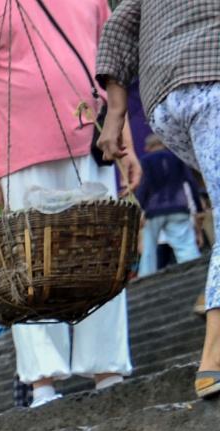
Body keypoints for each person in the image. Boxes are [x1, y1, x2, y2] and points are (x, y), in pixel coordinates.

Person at [0, 0, 141, 409]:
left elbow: (110, 69)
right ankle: (42, 382)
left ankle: (107, 368)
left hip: (91, 144)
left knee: (102, 258)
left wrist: (124, 141)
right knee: (28, 270)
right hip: (18, 153)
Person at [96, 0, 220, 399]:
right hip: (211, 82)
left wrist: (115, 113)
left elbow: (116, 28)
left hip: (164, 104)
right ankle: (214, 359)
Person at [136, 132, 204, 276]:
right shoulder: (177, 158)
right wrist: (198, 208)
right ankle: (194, 273)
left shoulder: (146, 161)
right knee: (185, 245)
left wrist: (139, 208)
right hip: (178, 208)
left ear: (149, 147)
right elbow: (191, 183)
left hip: (153, 210)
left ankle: (146, 279)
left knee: (149, 249)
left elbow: (144, 187)